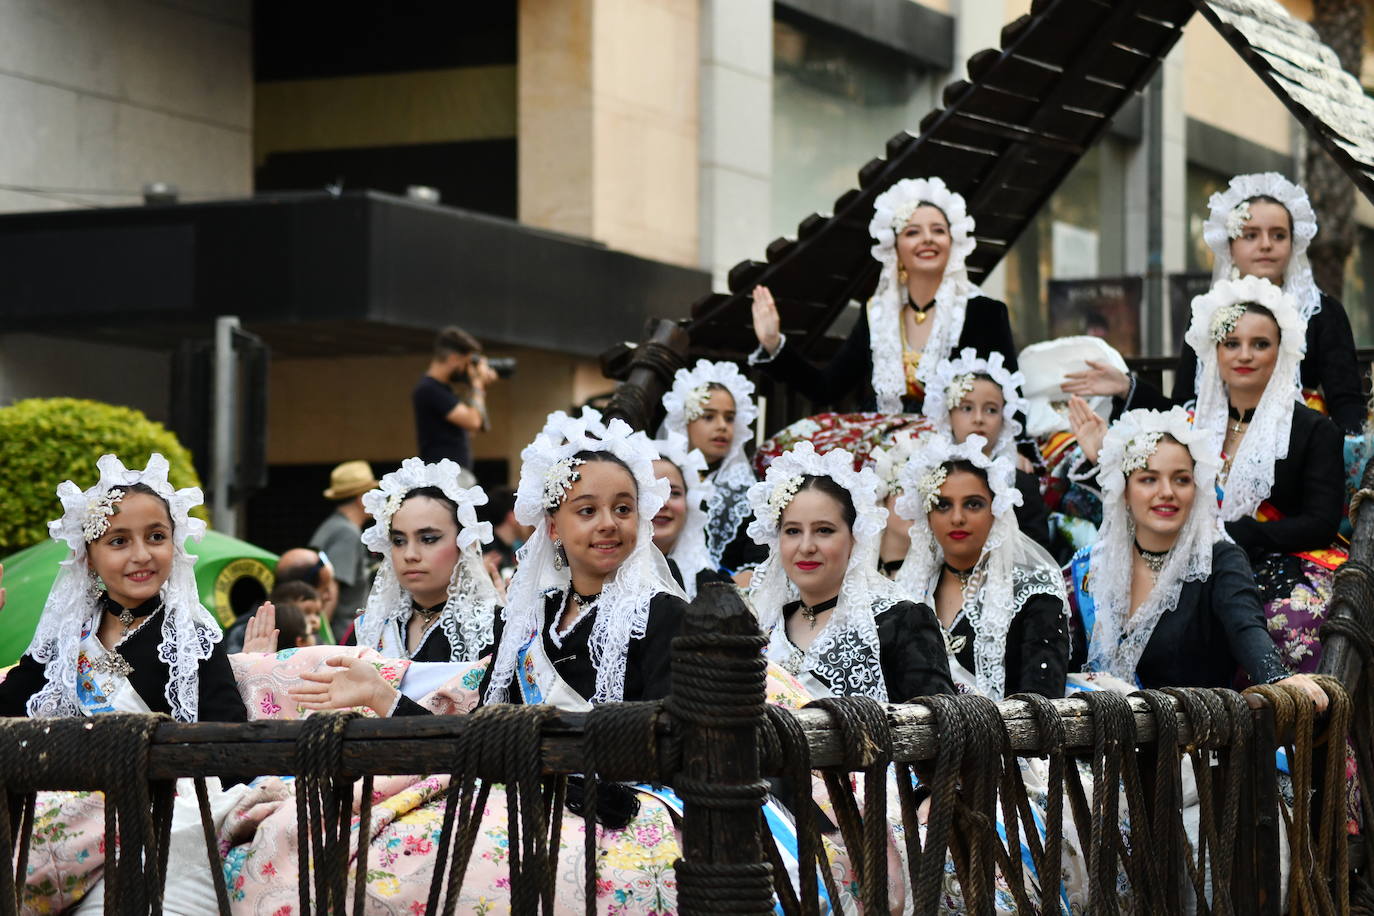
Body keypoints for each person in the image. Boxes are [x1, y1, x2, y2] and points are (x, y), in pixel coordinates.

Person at [1063, 172, 1364, 433]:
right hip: (1218, 453)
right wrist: (1127, 387)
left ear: (1293, 243)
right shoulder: (1208, 312)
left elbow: (1346, 403)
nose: (1266, 244)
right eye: (1250, 234)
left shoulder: (1321, 311)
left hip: (1299, 448)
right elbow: (1184, 408)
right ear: (1229, 245)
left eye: (1278, 235)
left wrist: (1335, 460)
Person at [1065, 407, 1325, 708]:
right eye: (1148, 479)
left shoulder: (1218, 559)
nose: (1167, 492)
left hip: (1195, 746)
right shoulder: (1093, 566)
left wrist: (1276, 678)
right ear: (1124, 490)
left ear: (1197, 488)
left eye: (1181, 480)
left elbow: (1246, 627)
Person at [0, 454, 246, 722]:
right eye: (119, 541)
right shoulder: (67, 636)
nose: (141, 555)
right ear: (89, 558)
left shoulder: (193, 640)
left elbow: (229, 739)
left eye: (156, 537)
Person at [749, 176, 1017, 413]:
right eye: (913, 232)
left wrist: (1019, 449)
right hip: (885, 447)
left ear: (952, 242)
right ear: (895, 249)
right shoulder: (876, 315)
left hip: (956, 448)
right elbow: (826, 388)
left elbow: (1009, 391)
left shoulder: (984, 313)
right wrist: (774, 344)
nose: (928, 239)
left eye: (938, 230)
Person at [482, 408, 689, 708]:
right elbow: (485, 723)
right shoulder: (528, 619)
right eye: (587, 511)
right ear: (553, 528)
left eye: (623, 509)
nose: (608, 524)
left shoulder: (663, 616)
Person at [289, 458, 503, 717]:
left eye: (428, 539)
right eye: (399, 541)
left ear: (464, 543)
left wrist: (383, 697)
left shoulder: (496, 629)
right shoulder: (370, 629)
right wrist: (258, 665)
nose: (410, 554)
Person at [746, 441, 954, 702]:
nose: (807, 546)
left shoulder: (902, 622)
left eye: (824, 530)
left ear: (854, 538)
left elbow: (940, 727)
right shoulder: (763, 628)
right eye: (793, 531)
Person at [892, 435, 1068, 700]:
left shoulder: (1033, 591)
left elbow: (1043, 703)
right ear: (927, 515)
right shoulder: (908, 591)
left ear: (996, 510)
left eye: (973, 504)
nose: (957, 518)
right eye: (943, 505)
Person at [923, 347, 1052, 549]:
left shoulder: (1021, 484)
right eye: (966, 408)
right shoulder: (927, 475)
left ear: (1005, 419)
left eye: (991, 410)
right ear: (948, 416)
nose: (978, 419)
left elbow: (1038, 550)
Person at [657, 359, 763, 572]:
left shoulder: (751, 489)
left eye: (730, 418)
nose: (722, 426)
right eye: (709, 416)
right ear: (683, 422)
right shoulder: (658, 474)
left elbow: (759, 562)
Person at [650, 431, 727, 598]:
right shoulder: (608, 575)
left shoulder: (709, 582)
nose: (664, 503)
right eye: (652, 491)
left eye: (674, 493)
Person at [411, 325, 498, 472]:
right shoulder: (429, 389)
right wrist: (477, 384)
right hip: (444, 475)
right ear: (453, 358)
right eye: (466, 363)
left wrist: (478, 387)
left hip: (451, 473)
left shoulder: (442, 389)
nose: (467, 369)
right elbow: (474, 421)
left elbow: (472, 428)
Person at [309, 459, 378, 629]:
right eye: (372, 494)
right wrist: (322, 637)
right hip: (341, 635)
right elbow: (330, 589)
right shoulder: (346, 533)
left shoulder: (331, 526)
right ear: (362, 499)